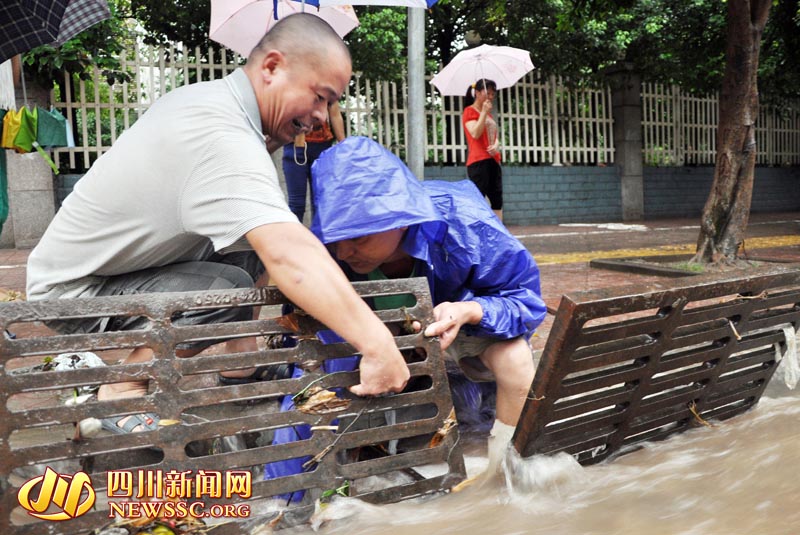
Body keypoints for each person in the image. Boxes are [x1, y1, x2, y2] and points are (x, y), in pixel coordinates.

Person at [24, 14, 409, 435]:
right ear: (272, 67)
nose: (321, 116)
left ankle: (240, 365)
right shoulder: (221, 134)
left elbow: (275, 237)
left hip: (120, 264)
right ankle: (123, 389)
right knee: (225, 292)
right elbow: (288, 253)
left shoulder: (210, 101)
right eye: (320, 97)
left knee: (247, 249)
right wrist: (377, 343)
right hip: (75, 290)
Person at [265, 137, 546, 486]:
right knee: (321, 366)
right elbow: (310, 348)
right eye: (336, 235)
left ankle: (504, 476)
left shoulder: (467, 224)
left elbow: (527, 300)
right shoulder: (332, 254)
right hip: (384, 334)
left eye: (360, 236)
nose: (345, 250)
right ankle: (289, 488)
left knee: (515, 357)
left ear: (400, 220)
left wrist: (470, 310)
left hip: (463, 329)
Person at [282, 101, 345, 223]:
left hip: (322, 146)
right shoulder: (291, 85)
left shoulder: (327, 86)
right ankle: (293, 240)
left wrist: (344, 145)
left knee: (321, 203)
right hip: (295, 146)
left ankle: (320, 240)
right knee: (296, 204)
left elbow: (335, 114)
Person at [463, 78, 503, 221]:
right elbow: (475, 133)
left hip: (493, 160)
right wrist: (484, 113)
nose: (490, 97)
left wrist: (496, 145)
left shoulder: (489, 114)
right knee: (479, 200)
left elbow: (494, 136)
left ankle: (500, 237)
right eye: (488, 93)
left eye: (493, 94)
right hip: (478, 162)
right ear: (477, 93)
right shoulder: (469, 112)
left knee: (497, 200)